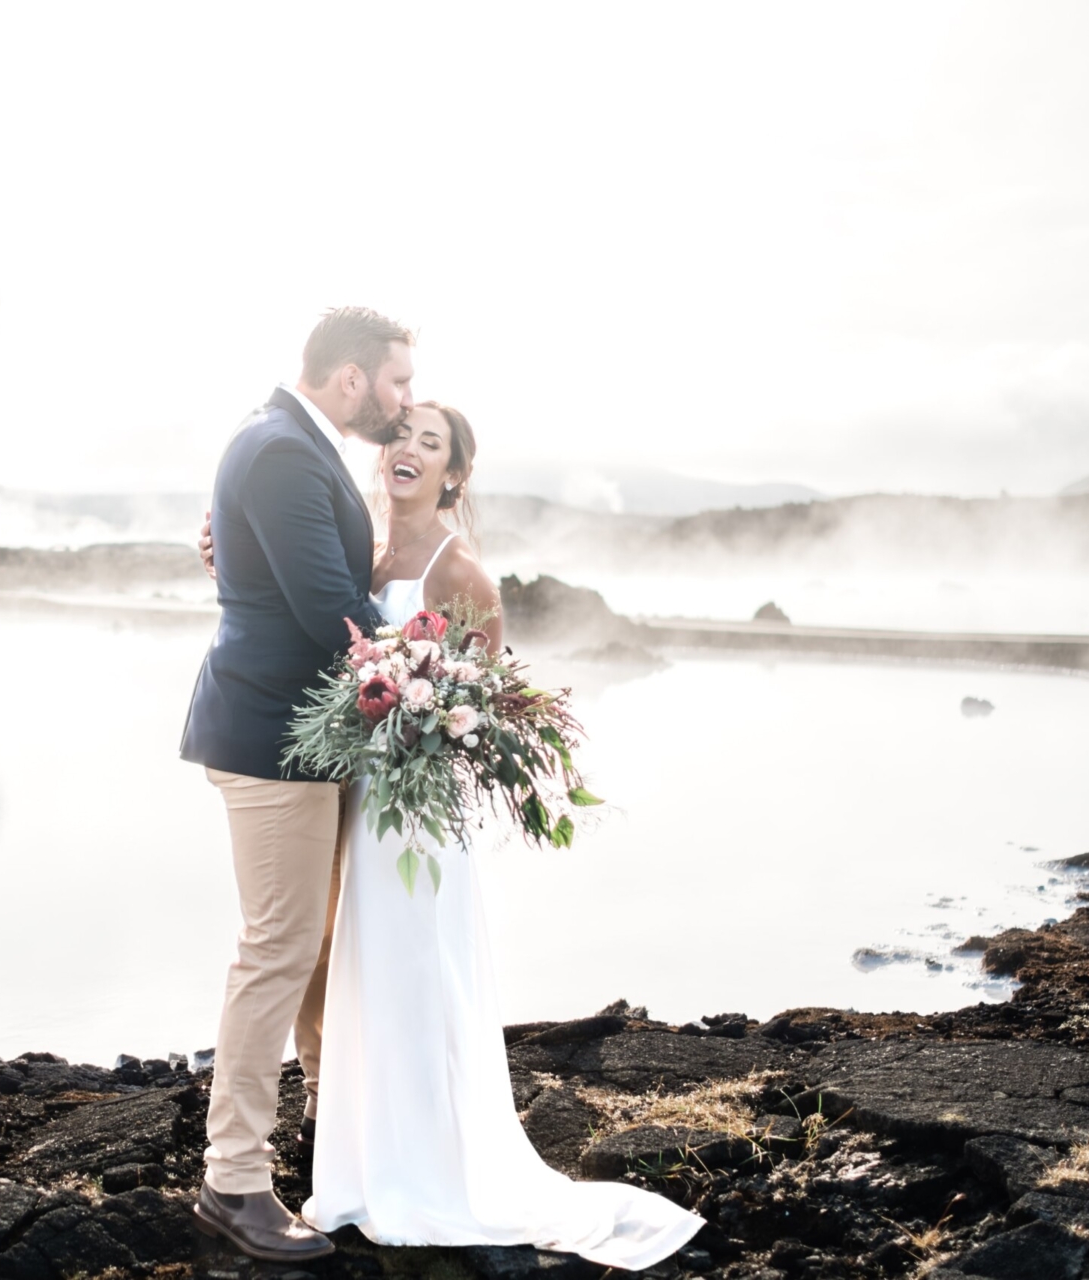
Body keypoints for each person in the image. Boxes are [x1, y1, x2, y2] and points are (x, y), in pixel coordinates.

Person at [190, 373, 705, 1269]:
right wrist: (226, 551)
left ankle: (420, 1156)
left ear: (454, 476)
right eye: (405, 433)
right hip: (347, 783)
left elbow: (490, 690)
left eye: (432, 443)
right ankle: (351, 1132)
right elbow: (298, 588)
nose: (409, 447)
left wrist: (437, 707)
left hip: (410, 807)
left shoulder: (455, 565)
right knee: (332, 954)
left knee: (408, 960)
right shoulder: (360, 546)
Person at [179, 306, 414, 1263]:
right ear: (352, 378)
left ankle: (329, 1131)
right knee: (278, 948)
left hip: (309, 740)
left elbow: (287, 580)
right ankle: (232, 1180)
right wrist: (434, 671)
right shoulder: (280, 451)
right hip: (273, 736)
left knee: (316, 944)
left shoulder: (290, 445)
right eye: (397, 380)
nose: (404, 398)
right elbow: (331, 612)